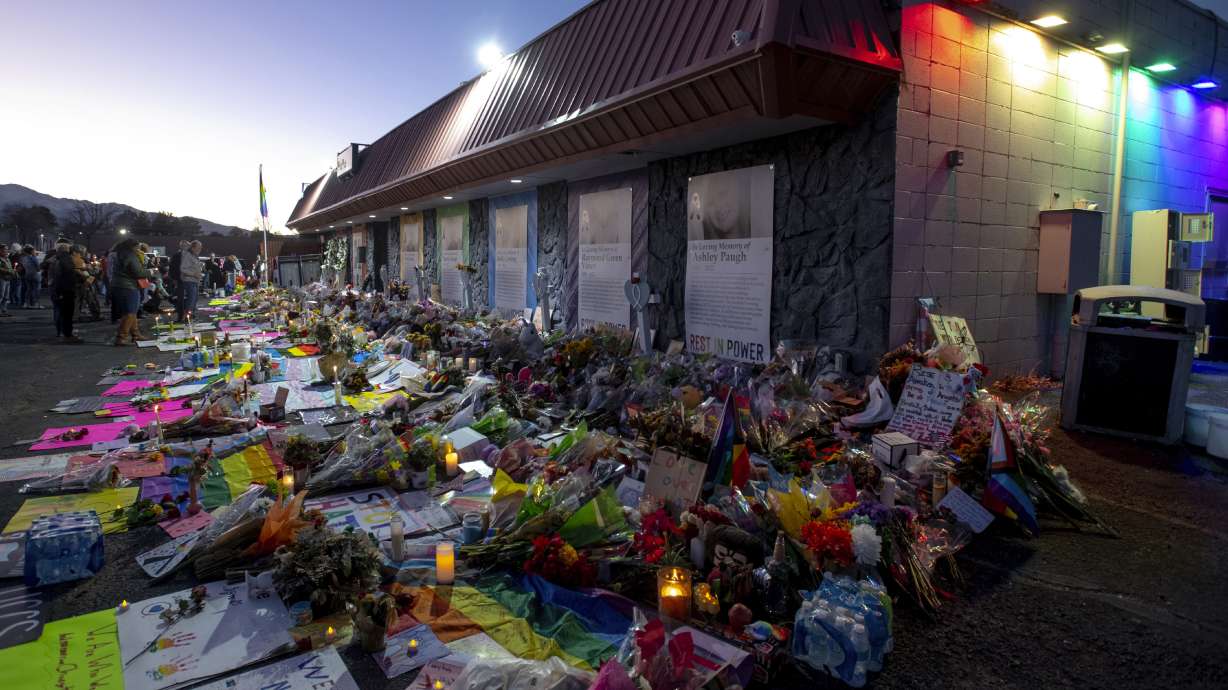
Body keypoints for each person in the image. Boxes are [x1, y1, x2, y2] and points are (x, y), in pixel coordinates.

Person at [109, 238, 151, 345]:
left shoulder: (118, 254)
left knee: (131, 311)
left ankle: (136, 334)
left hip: (118, 285)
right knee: (130, 312)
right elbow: (138, 272)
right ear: (133, 246)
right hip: (129, 286)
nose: (138, 248)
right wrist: (150, 272)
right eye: (137, 246)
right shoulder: (130, 255)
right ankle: (121, 337)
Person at [48, 238, 82, 342]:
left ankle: (60, 332)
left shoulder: (54, 258)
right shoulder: (66, 258)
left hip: (55, 288)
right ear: (67, 248)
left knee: (59, 311)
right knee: (67, 313)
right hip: (66, 289)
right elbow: (68, 273)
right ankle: (67, 334)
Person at [177, 240, 203, 322]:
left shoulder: (194, 255)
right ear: (193, 247)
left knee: (194, 299)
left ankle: (191, 316)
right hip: (189, 281)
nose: (200, 249)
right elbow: (182, 269)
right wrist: (194, 274)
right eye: (199, 247)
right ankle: (186, 318)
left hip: (195, 281)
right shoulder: (187, 255)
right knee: (191, 300)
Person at [0, 244, 14, 317]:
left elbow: (10, 267)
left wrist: (13, 272)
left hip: (8, 279)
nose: (6, 250)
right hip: (2, 279)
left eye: (7, 249)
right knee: (1, 296)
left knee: (6, 296)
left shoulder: (7, 258)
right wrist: (8, 271)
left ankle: (4, 310)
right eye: (5, 249)